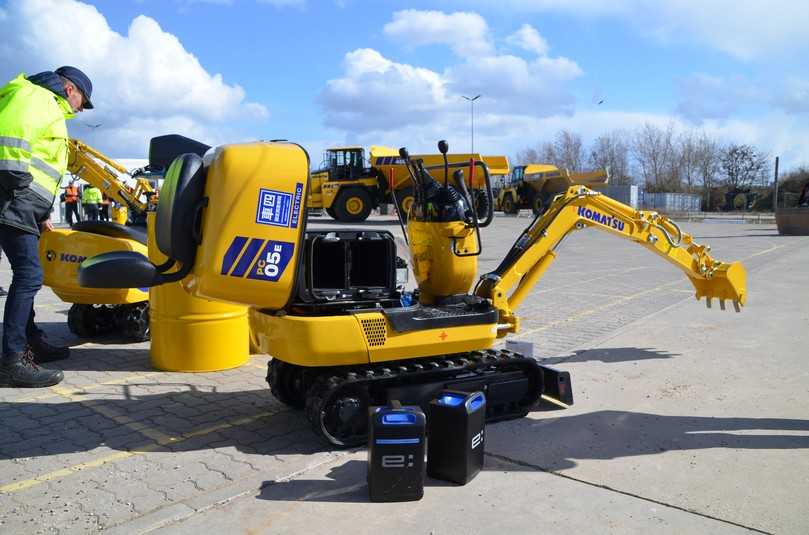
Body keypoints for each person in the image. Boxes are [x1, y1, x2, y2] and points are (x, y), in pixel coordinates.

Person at [0, 65, 94, 387]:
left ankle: (30, 342)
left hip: (22, 204)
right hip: (13, 200)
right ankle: (12, 360)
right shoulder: (37, 97)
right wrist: (17, 184)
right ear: (70, 90)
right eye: (83, 100)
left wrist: (40, 213)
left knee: (27, 275)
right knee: (29, 276)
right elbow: (10, 135)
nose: (82, 109)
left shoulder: (45, 105)